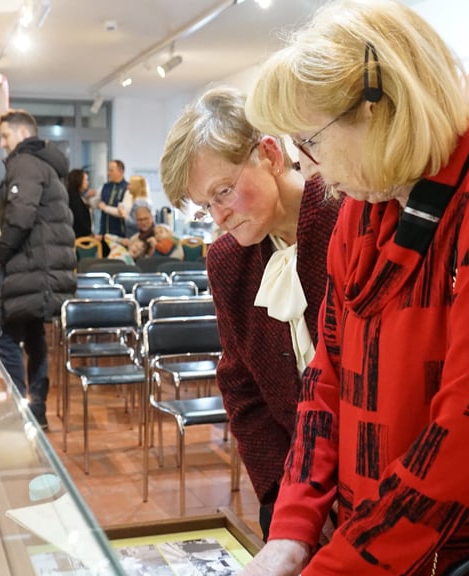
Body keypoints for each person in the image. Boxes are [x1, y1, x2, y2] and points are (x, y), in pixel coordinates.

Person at [241, 0, 469, 574]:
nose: (308, 167)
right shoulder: (362, 210)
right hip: (384, 541)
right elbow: (327, 378)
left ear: (378, 109)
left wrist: (338, 563)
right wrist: (292, 529)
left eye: (309, 141)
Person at [160, 85, 342, 540]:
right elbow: (241, 384)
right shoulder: (228, 260)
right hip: (290, 486)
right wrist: (283, 494)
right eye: (205, 206)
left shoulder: (347, 215)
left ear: (269, 154)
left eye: (223, 191)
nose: (219, 216)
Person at [0, 109, 76, 430]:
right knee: (33, 336)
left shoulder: (25, 162)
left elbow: (20, 216)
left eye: (5, 135)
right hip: (43, 272)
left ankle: (19, 411)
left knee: (6, 338)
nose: (2, 143)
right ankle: (36, 410)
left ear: (22, 134)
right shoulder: (46, 165)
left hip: (31, 268)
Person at [96, 159, 128, 236]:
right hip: (104, 233)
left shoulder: (127, 188)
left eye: (111, 171)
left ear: (120, 172)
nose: (108, 173)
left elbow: (124, 212)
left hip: (120, 235)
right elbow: (96, 202)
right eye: (108, 170)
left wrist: (105, 208)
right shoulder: (105, 187)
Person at [66, 168, 95, 238]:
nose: (88, 182)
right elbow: (80, 221)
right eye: (86, 180)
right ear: (78, 180)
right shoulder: (74, 199)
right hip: (79, 239)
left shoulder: (75, 196)